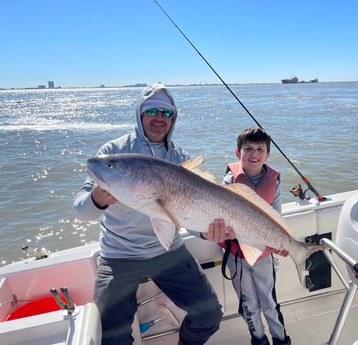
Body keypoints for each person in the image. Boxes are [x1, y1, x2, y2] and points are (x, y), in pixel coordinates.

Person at [73, 83, 229, 345]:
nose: (160, 118)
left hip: (168, 251)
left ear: (173, 119)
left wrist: (206, 231)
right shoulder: (113, 154)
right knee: (110, 335)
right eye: (153, 111)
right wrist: (96, 199)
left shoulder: (182, 160)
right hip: (119, 255)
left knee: (210, 315)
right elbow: (80, 210)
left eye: (167, 114)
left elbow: (188, 216)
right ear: (140, 113)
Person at [216, 127, 292, 345]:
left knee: (269, 301)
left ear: (268, 155)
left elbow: (276, 218)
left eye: (260, 149)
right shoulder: (229, 181)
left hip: (263, 254)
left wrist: (281, 242)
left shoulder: (274, 181)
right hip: (236, 255)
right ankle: (258, 339)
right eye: (248, 148)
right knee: (248, 303)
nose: (254, 154)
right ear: (237, 153)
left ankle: (281, 340)